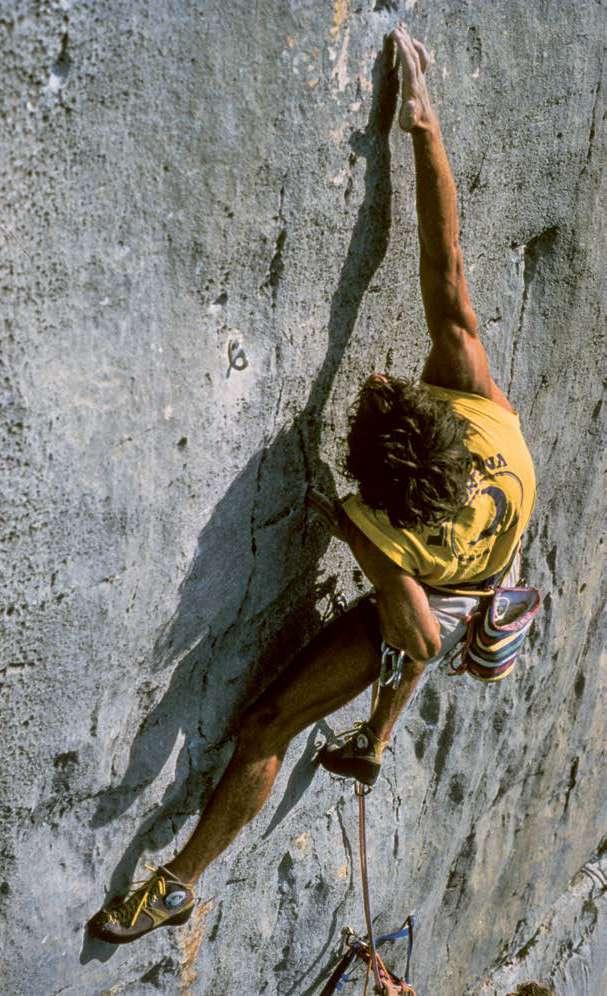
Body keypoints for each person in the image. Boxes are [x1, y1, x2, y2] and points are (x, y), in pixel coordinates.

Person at [89, 23, 536, 944]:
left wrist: (342, 523)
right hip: (488, 547)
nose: (382, 377)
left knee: (265, 724)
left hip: (437, 595)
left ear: (383, 499)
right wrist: (423, 125)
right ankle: (373, 740)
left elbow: (417, 634)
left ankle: (177, 885)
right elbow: (444, 262)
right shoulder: (483, 410)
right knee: (415, 627)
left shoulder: (377, 534)